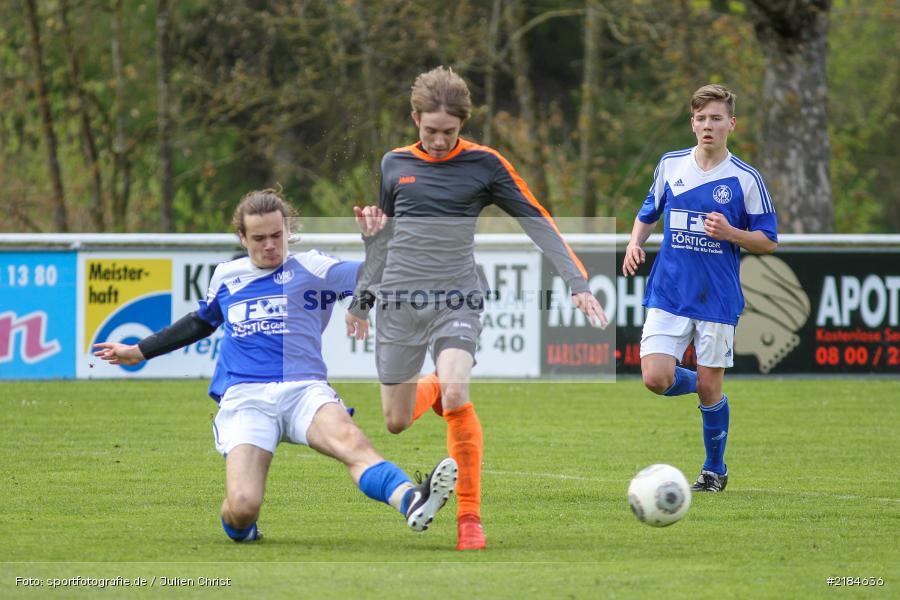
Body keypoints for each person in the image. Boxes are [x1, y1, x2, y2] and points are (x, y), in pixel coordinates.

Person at [93, 189, 457, 542]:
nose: (270, 245)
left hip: (304, 390)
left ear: (288, 231)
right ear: (242, 237)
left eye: (277, 235)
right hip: (246, 397)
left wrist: (375, 244)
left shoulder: (312, 266)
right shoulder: (227, 276)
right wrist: (139, 350)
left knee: (351, 442)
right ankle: (243, 529)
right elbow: (202, 321)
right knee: (243, 506)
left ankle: (411, 499)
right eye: (259, 238)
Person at [345, 67, 608, 550]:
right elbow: (381, 240)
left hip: (457, 296)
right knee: (396, 421)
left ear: (462, 123)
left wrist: (576, 281)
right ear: (414, 119)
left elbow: (538, 219)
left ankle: (469, 519)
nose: (441, 140)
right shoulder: (393, 164)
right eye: (431, 131)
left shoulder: (485, 164)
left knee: (457, 388)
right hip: (401, 302)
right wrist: (362, 302)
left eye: (450, 131)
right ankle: (440, 395)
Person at [622, 84, 778, 492]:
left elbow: (768, 240)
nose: (708, 125)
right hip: (670, 291)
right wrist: (635, 243)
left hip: (717, 297)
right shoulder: (671, 165)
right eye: (701, 118)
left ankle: (714, 470)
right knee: (656, 377)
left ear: (731, 124)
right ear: (692, 124)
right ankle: (710, 387)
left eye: (716, 118)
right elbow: (647, 212)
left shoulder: (745, 179)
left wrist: (731, 233)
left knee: (710, 388)